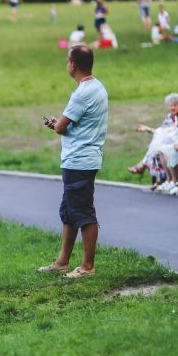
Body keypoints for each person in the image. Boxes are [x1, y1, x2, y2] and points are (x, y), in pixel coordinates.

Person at [39, 45, 107, 279]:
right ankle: (62, 262)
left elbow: (60, 127)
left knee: (83, 212)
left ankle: (87, 266)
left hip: (79, 159)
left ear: (73, 65)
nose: (67, 64)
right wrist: (61, 123)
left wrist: (55, 124)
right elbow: (76, 123)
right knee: (69, 210)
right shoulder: (98, 87)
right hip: (83, 157)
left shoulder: (82, 93)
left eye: (68, 61)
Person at [128, 93, 178, 190]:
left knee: (157, 146)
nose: (172, 108)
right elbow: (163, 131)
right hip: (168, 141)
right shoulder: (168, 117)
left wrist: (150, 130)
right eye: (170, 105)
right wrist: (148, 129)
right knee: (158, 147)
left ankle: (145, 168)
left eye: (175, 105)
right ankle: (159, 179)